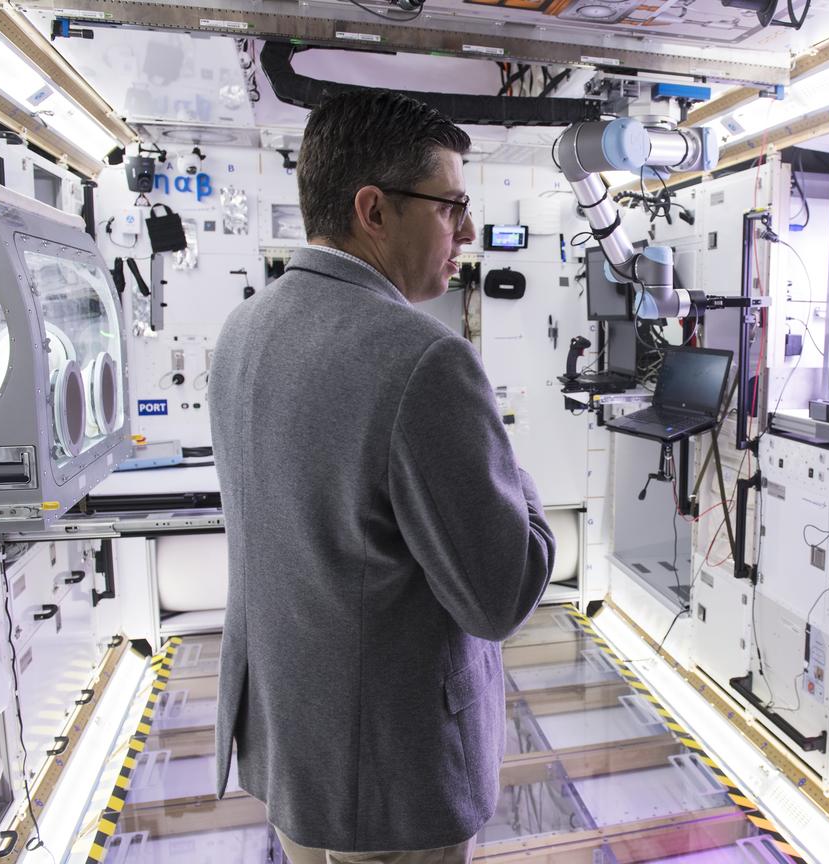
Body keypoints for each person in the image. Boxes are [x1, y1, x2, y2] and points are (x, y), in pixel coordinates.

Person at [209, 90, 555, 863]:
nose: (466, 231)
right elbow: (498, 595)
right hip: (396, 777)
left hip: (293, 746)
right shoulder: (424, 361)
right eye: (450, 206)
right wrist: (516, 473)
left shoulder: (244, 330)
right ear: (374, 210)